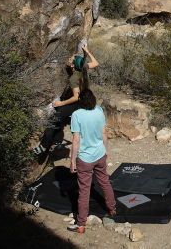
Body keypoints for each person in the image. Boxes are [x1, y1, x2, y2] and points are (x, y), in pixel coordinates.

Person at [32, 44, 99, 156]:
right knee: (61, 119)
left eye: (71, 59)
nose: (69, 59)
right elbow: (96, 63)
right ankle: (57, 142)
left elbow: (76, 97)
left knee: (53, 119)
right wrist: (86, 51)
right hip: (84, 101)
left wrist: (60, 103)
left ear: (73, 65)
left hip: (78, 103)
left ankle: (43, 146)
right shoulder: (84, 68)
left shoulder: (73, 78)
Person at [66, 88, 116, 234]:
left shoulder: (76, 115)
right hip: (100, 154)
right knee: (105, 181)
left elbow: (76, 140)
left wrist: (72, 161)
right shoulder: (99, 110)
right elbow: (104, 132)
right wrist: (105, 151)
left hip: (85, 158)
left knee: (84, 190)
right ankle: (112, 208)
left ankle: (81, 224)